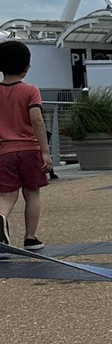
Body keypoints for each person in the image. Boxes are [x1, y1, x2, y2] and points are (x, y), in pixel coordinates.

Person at [0, 40, 52, 251]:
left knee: (6, 195)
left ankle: (1, 217)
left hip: (4, 152)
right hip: (30, 150)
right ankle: (31, 238)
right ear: (27, 67)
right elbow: (37, 120)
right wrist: (45, 152)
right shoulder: (31, 91)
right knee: (32, 193)